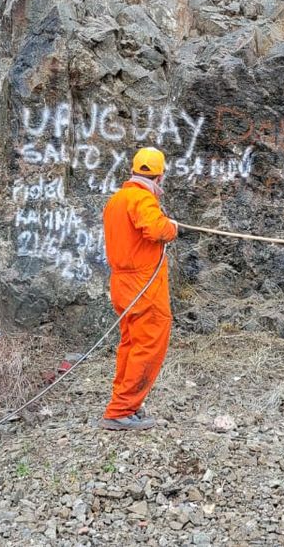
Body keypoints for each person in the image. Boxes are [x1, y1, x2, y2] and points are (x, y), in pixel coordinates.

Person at [99, 147, 179, 431]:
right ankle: (121, 410)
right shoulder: (142, 199)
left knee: (131, 344)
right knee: (148, 345)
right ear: (160, 176)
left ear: (133, 170)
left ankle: (123, 404)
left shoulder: (117, 200)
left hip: (122, 284)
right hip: (143, 286)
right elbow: (156, 229)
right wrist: (171, 228)